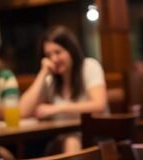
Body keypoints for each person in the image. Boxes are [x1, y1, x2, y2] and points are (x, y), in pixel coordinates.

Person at [20, 25, 106, 153]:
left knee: (71, 140)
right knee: (34, 148)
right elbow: (22, 111)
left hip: (95, 136)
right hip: (60, 138)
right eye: (48, 55)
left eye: (58, 52)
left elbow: (99, 105)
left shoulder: (89, 66)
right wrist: (42, 73)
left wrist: (58, 108)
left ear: (71, 50)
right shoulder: (50, 80)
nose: (54, 59)